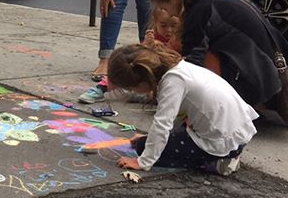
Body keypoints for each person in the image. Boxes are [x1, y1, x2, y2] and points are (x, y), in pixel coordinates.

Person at [148, 0, 288, 110]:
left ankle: (240, 105)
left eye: (165, 7)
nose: (167, 12)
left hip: (263, 87)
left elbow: (191, 68)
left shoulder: (199, 13)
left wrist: (170, 96)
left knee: (198, 59)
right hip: (276, 72)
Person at [109, 44, 257, 175]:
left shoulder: (172, 82)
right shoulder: (177, 68)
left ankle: (217, 162)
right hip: (236, 132)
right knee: (147, 142)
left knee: (143, 148)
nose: (134, 92)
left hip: (222, 141)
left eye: (132, 88)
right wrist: (148, 139)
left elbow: (163, 124)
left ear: (143, 81)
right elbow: (175, 119)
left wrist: (143, 162)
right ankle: (222, 155)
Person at [80, 6, 181, 104]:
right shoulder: (153, 36)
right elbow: (140, 56)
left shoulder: (182, 38)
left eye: (174, 26)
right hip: (148, 74)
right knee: (121, 67)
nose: (169, 30)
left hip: (164, 76)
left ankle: (145, 95)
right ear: (155, 22)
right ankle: (102, 88)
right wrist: (147, 44)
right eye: (163, 25)